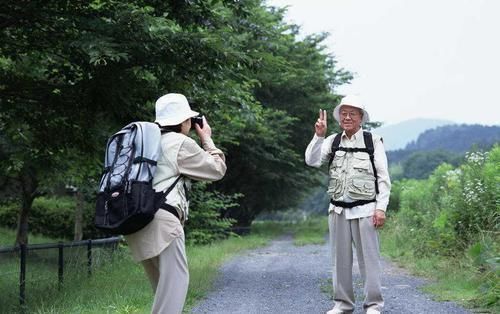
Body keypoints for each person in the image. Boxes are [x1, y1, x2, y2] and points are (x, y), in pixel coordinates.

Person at [125, 93, 227, 314]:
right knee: (175, 288)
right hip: (164, 222)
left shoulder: (143, 141)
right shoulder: (180, 143)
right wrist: (207, 138)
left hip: (137, 220)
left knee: (164, 293)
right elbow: (217, 170)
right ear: (183, 121)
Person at [305, 95, 391, 314]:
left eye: (353, 113)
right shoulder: (332, 141)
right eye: (344, 113)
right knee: (340, 261)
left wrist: (380, 208)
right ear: (339, 116)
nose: (347, 117)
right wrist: (318, 136)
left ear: (361, 118)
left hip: (365, 211)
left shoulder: (373, 141)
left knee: (369, 261)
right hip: (338, 211)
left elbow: (383, 178)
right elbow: (312, 161)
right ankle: (342, 304)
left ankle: (373, 305)